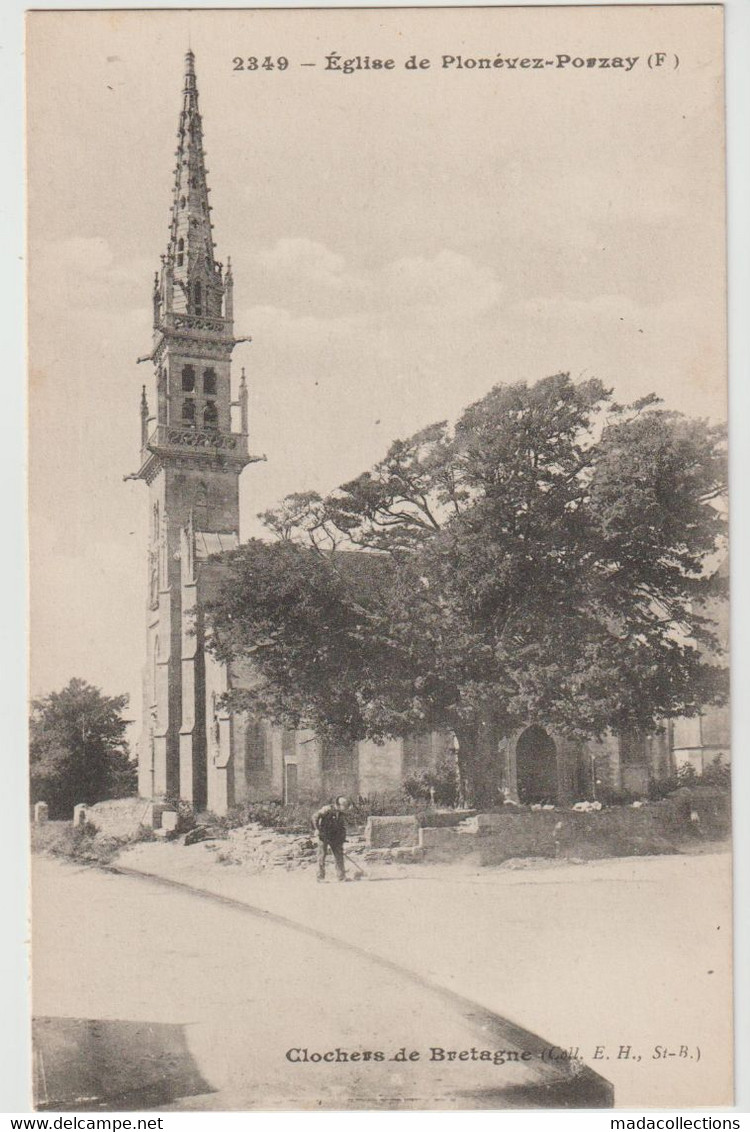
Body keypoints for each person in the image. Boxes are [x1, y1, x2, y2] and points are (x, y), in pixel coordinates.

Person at [312, 796, 351, 882]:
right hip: (324, 835)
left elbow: (342, 827)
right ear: (339, 804)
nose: (346, 808)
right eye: (345, 806)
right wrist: (317, 829)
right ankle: (320, 877)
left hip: (334, 837)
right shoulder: (327, 809)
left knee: (339, 855)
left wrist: (342, 838)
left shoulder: (341, 813)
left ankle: (341, 877)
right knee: (321, 856)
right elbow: (315, 816)